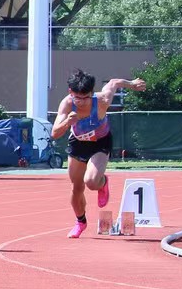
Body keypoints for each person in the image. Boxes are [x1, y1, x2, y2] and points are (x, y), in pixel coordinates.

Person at [50, 69, 147, 238]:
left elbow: (114, 82)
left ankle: (103, 183)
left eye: (85, 97)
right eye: (77, 97)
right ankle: (80, 222)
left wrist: (132, 84)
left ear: (92, 93)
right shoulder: (67, 103)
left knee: (91, 182)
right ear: (70, 92)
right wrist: (67, 123)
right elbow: (54, 133)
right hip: (78, 143)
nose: (81, 102)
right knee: (76, 188)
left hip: (100, 142)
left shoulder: (102, 100)